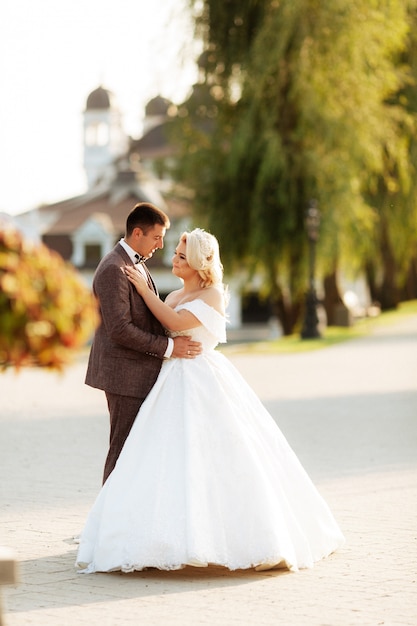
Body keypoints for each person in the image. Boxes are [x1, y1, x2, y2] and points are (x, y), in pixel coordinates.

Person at [76, 228, 345, 573]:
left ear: (200, 263)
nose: (174, 258)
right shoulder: (172, 294)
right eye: (175, 253)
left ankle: (238, 537)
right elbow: (151, 324)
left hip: (203, 378)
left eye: (181, 256)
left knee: (221, 452)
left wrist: (143, 289)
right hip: (170, 379)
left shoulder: (212, 294)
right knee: (160, 456)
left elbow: (174, 322)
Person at [85, 202, 201, 485]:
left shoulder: (131, 264)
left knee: (134, 450)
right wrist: (172, 348)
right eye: (157, 237)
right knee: (123, 449)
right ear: (138, 233)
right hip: (124, 376)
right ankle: (107, 522)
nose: (162, 245)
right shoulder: (114, 268)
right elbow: (120, 330)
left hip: (135, 374)